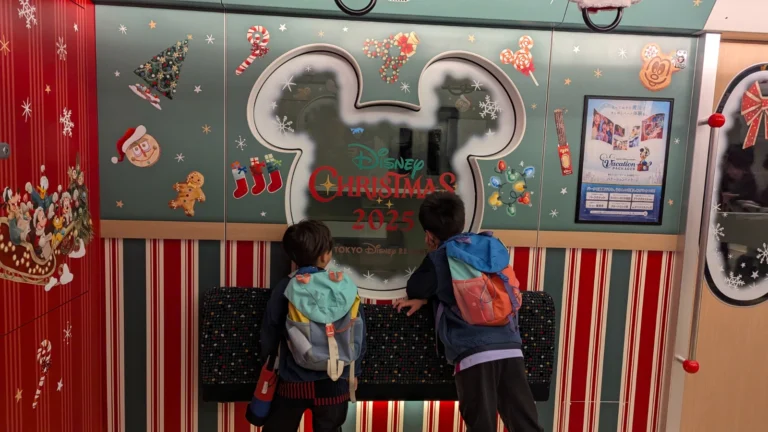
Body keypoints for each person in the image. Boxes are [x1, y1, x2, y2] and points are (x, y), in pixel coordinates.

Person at [394, 192, 543, 432]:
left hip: (474, 353)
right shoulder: (490, 245)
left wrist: (426, 295)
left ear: (429, 235)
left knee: (481, 425)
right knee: (525, 424)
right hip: (510, 346)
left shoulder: (440, 257)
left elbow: (415, 287)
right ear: (463, 221)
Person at [259, 220, 365, 432]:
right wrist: (355, 370)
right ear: (326, 255)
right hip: (335, 381)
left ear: (293, 256)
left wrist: (269, 362)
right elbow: (358, 331)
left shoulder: (285, 287)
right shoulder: (343, 288)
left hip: (293, 380)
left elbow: (270, 331)